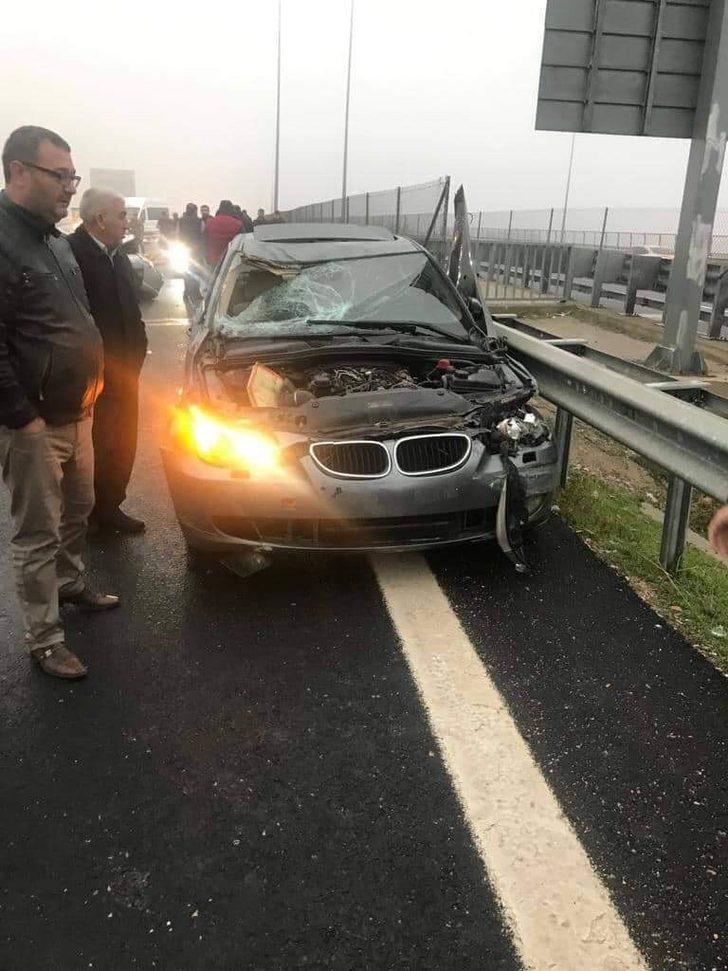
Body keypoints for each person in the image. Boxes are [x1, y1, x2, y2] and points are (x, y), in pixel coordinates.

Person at [0, 126, 119, 681]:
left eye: (72, 176)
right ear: (19, 171)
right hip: (34, 423)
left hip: (78, 410)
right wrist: (22, 418)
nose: (69, 187)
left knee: (78, 509)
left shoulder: (52, 239)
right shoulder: (3, 240)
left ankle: (70, 583)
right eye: (59, 175)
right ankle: (45, 639)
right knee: (37, 532)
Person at [68, 188, 148, 536]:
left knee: (123, 439)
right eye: (121, 215)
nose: (126, 221)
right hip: (93, 376)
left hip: (127, 370)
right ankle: (89, 512)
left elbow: (132, 310)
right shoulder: (71, 255)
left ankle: (111, 505)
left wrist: (140, 347)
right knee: (95, 444)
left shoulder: (119, 257)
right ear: (100, 219)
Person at [177, 202, 203, 299]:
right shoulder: (199, 221)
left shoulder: (181, 221)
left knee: (186, 271)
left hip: (185, 249)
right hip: (196, 250)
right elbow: (202, 234)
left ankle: (187, 292)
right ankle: (196, 292)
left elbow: (178, 234)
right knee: (196, 271)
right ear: (195, 211)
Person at [204, 200, 242, 265]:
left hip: (213, 259)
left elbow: (204, 241)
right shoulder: (238, 224)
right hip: (230, 260)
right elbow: (242, 242)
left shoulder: (209, 223)